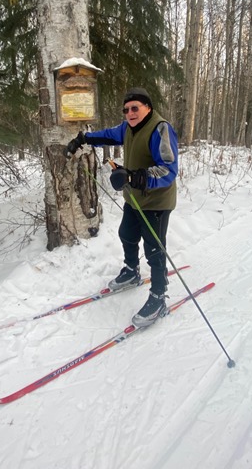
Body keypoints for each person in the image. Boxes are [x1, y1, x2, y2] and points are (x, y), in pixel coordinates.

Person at [66, 87, 178, 328]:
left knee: (154, 249)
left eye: (135, 108)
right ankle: (131, 270)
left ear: (148, 107)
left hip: (156, 202)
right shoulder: (128, 128)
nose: (130, 113)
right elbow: (108, 135)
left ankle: (158, 296)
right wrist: (83, 139)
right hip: (135, 198)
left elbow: (168, 169)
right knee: (126, 234)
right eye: (126, 110)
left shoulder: (160, 129)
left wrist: (133, 176)